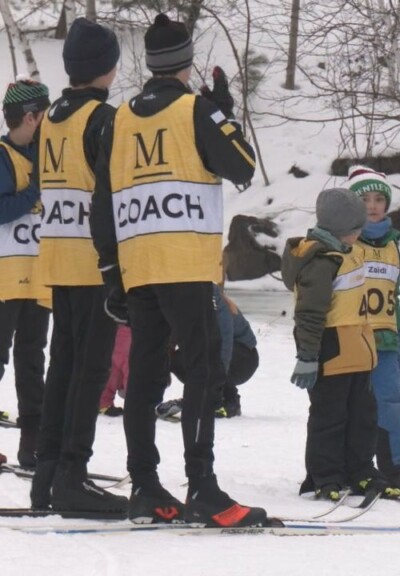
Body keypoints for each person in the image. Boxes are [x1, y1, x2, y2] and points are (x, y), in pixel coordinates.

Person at [90, 13, 266, 526]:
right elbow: (242, 166)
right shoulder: (196, 110)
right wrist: (223, 110)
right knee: (204, 368)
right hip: (186, 262)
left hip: (138, 263)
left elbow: (103, 203)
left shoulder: (119, 118)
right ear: (187, 64)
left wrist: (111, 271)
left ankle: (145, 484)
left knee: (145, 376)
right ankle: (203, 488)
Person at [31, 20, 124, 513]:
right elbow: (110, 194)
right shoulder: (103, 118)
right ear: (106, 69)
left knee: (62, 366)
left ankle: (47, 475)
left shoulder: (50, 118)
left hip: (57, 256)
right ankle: (72, 475)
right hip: (93, 263)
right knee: (89, 372)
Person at [283, 188, 399, 501]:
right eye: (355, 227)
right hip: (331, 347)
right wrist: (308, 355)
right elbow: (309, 313)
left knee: (362, 415)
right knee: (330, 416)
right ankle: (326, 475)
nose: (360, 231)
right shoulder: (321, 261)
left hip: (359, 347)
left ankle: (360, 470)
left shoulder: (350, 251)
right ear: (340, 228)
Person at [348, 166, 400, 492]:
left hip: (386, 338)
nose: (373, 205)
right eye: (365, 199)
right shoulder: (348, 242)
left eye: (379, 199)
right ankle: (358, 466)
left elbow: (395, 294)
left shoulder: (392, 245)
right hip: (354, 338)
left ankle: (396, 466)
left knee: (392, 403)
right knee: (358, 406)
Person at [0, 78, 50, 471]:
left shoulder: (45, 152)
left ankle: (32, 440)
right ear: (31, 117)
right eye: (44, 114)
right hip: (4, 277)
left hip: (38, 275)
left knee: (32, 358)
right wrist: (35, 190)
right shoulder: (2, 155)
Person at [158, 284, 259, 420]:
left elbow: (225, 339)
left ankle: (227, 400)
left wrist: (212, 385)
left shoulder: (210, 296)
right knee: (179, 360)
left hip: (243, 356)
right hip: (216, 351)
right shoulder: (179, 298)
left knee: (208, 356)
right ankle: (211, 396)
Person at [98, 324, 131, 417]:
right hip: (136, 335)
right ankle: (135, 405)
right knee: (132, 375)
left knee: (111, 373)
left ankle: (103, 402)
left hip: (115, 335)